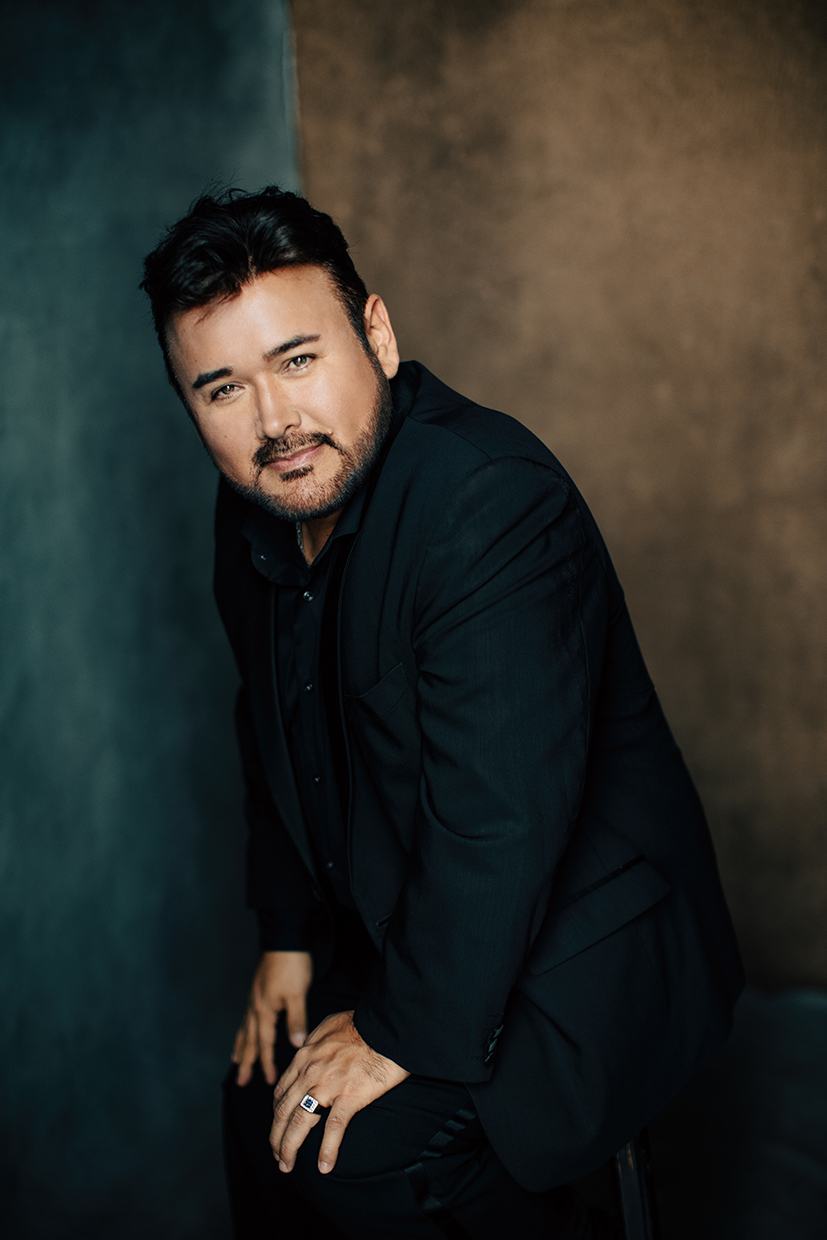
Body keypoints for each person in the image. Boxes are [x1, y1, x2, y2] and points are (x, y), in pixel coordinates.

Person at [141, 186, 743, 1239]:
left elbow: (500, 824)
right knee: (254, 1103)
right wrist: (287, 938)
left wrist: (391, 1033)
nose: (275, 423)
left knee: (351, 1158)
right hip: (411, 910)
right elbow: (267, 729)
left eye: (297, 360)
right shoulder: (255, 511)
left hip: (575, 944)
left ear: (375, 334)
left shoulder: (486, 500)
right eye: (223, 388)